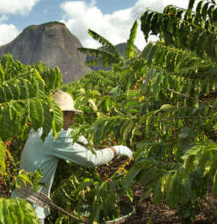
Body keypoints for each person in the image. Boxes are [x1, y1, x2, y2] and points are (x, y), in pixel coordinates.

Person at [11, 90, 133, 223]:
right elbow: (92, 159)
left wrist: (81, 139)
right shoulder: (56, 137)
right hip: (30, 211)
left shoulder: (39, 128)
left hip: (17, 201)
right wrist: (116, 150)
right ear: (60, 115)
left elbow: (66, 132)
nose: (73, 121)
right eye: (71, 116)